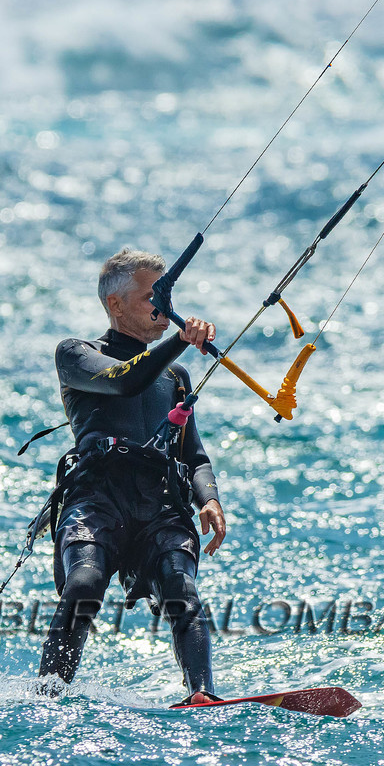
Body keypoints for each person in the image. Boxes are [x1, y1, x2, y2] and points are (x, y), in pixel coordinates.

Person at [37, 248, 228, 705]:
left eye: (167, 294)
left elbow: (194, 455)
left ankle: (202, 695)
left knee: (181, 589)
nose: (163, 305)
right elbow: (124, 380)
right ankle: (47, 695)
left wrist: (210, 498)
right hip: (97, 499)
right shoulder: (77, 355)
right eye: (152, 296)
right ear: (116, 304)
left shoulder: (175, 376)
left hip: (159, 503)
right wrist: (181, 339)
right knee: (84, 584)